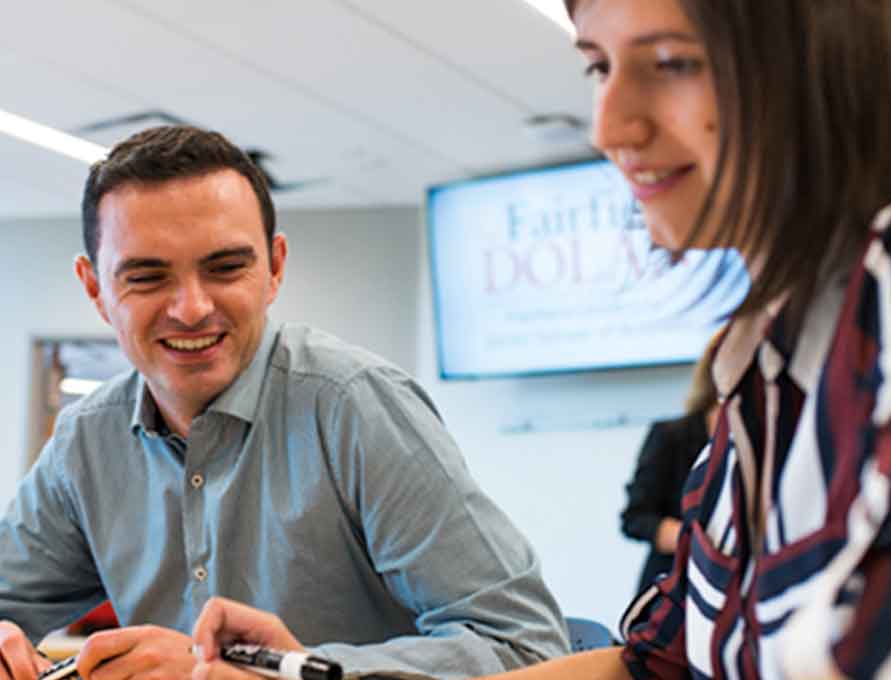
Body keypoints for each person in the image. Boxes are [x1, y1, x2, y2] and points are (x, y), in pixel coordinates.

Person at [189, 0, 891, 678]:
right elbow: (653, 664)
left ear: (822, 60)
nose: (610, 125)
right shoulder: (762, 368)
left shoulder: (889, 297)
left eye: (674, 63)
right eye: (600, 67)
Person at [0, 125, 570, 680]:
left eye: (225, 268)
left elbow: (526, 648)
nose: (192, 308)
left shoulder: (356, 409)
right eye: (148, 277)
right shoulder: (86, 442)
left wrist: (280, 674)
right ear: (95, 289)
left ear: (274, 267)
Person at [620, 334, 720, 595]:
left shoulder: (768, 438)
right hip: (673, 587)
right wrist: (691, 541)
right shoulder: (669, 435)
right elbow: (635, 518)